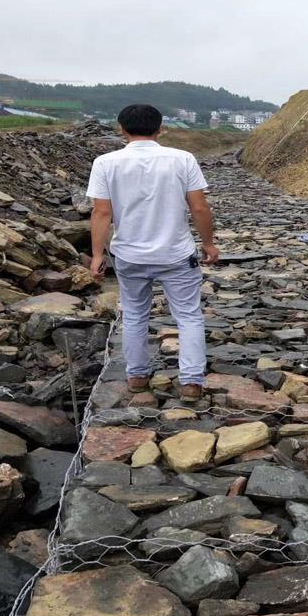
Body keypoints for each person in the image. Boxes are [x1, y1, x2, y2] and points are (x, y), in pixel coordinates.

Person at [86, 104, 218, 401]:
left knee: (134, 315)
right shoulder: (182, 159)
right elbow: (199, 207)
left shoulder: (105, 163)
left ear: (121, 129)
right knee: (189, 317)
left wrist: (97, 254)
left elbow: (101, 212)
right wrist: (208, 243)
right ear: (160, 129)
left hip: (130, 255)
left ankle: (137, 378)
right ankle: (191, 382)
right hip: (176, 254)